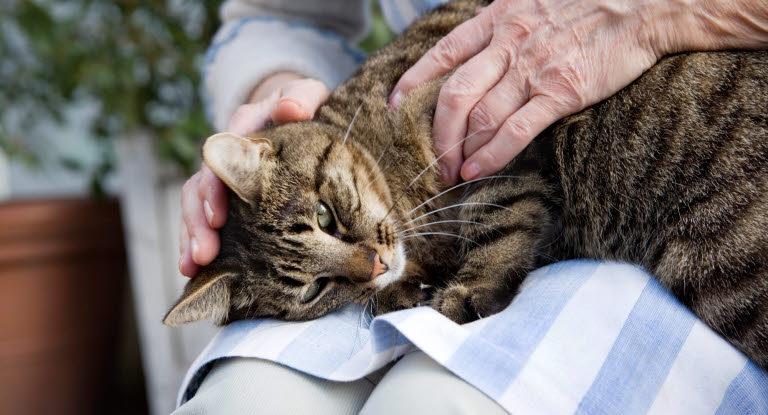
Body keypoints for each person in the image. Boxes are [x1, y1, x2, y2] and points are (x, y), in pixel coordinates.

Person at [174, 0, 768, 413]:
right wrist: (276, 102)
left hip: (693, 126)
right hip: (517, 213)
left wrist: (657, 15)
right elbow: (277, 16)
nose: (366, 267)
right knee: (240, 402)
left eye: (327, 223)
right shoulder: (362, 205)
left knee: (430, 405)